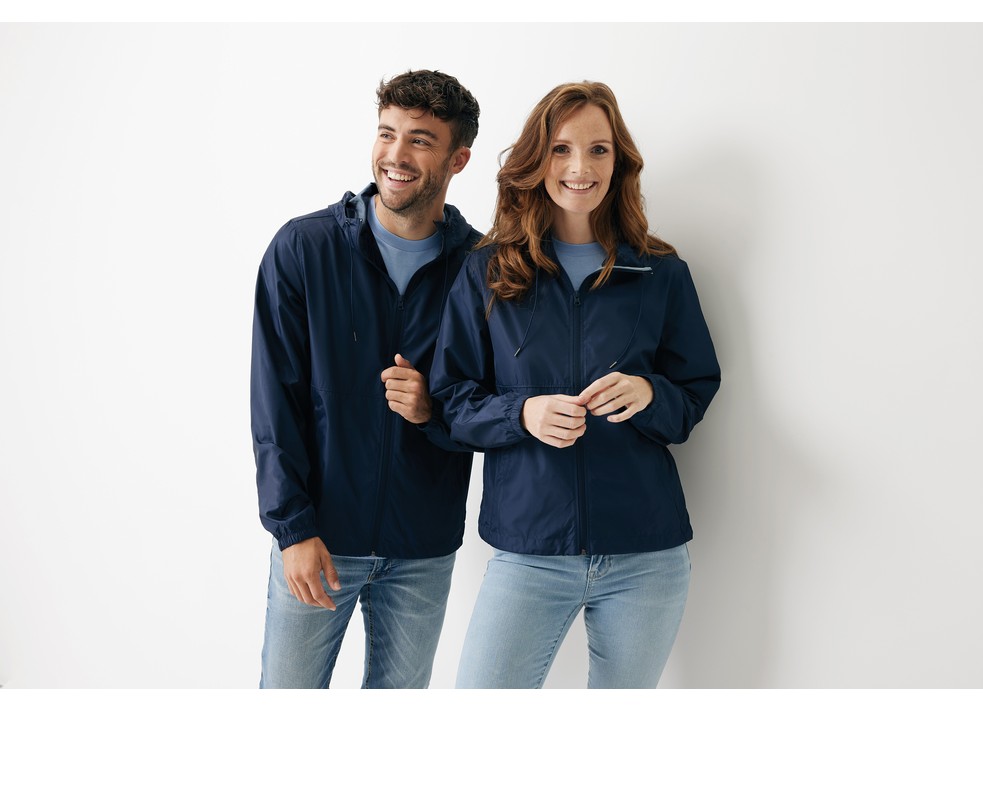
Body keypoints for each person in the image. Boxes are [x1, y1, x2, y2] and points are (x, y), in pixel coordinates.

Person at [430, 81, 720, 689]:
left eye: (598, 150)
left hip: (647, 555)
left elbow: (694, 392)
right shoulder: (489, 271)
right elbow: (452, 399)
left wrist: (651, 395)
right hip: (529, 551)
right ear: (537, 160)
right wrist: (522, 414)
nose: (580, 168)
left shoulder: (660, 273)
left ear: (619, 162)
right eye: (561, 149)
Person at [251, 69, 481, 688]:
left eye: (420, 141)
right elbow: (274, 402)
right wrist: (293, 529)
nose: (396, 155)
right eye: (387, 133)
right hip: (318, 540)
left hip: (422, 548)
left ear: (458, 159)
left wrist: (433, 411)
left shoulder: (481, 268)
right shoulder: (305, 249)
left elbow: (494, 402)